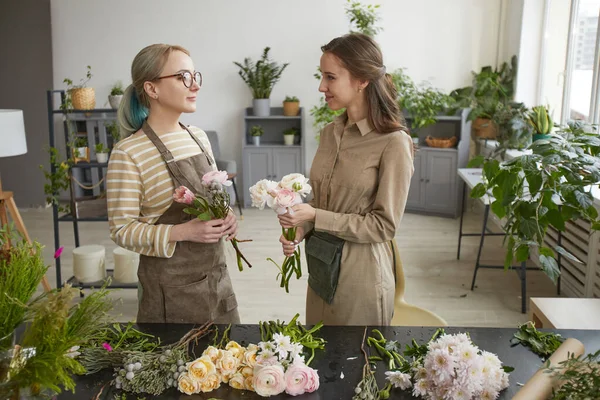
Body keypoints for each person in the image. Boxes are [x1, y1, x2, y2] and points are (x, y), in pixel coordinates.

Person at [278, 33, 414, 326]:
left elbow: (384, 226)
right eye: (321, 76)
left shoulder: (394, 143)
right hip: (320, 273)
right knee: (317, 363)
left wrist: (316, 215)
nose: (321, 86)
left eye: (330, 77)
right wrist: (301, 228)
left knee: (357, 366)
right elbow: (325, 201)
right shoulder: (330, 132)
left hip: (361, 279)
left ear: (362, 80)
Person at [106, 44, 240, 324]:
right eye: (183, 77)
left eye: (195, 76)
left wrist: (227, 216)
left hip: (217, 283)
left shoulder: (198, 137)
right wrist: (182, 232)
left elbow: (214, 196)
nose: (195, 86)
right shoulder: (128, 153)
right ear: (152, 89)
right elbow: (121, 230)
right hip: (171, 298)